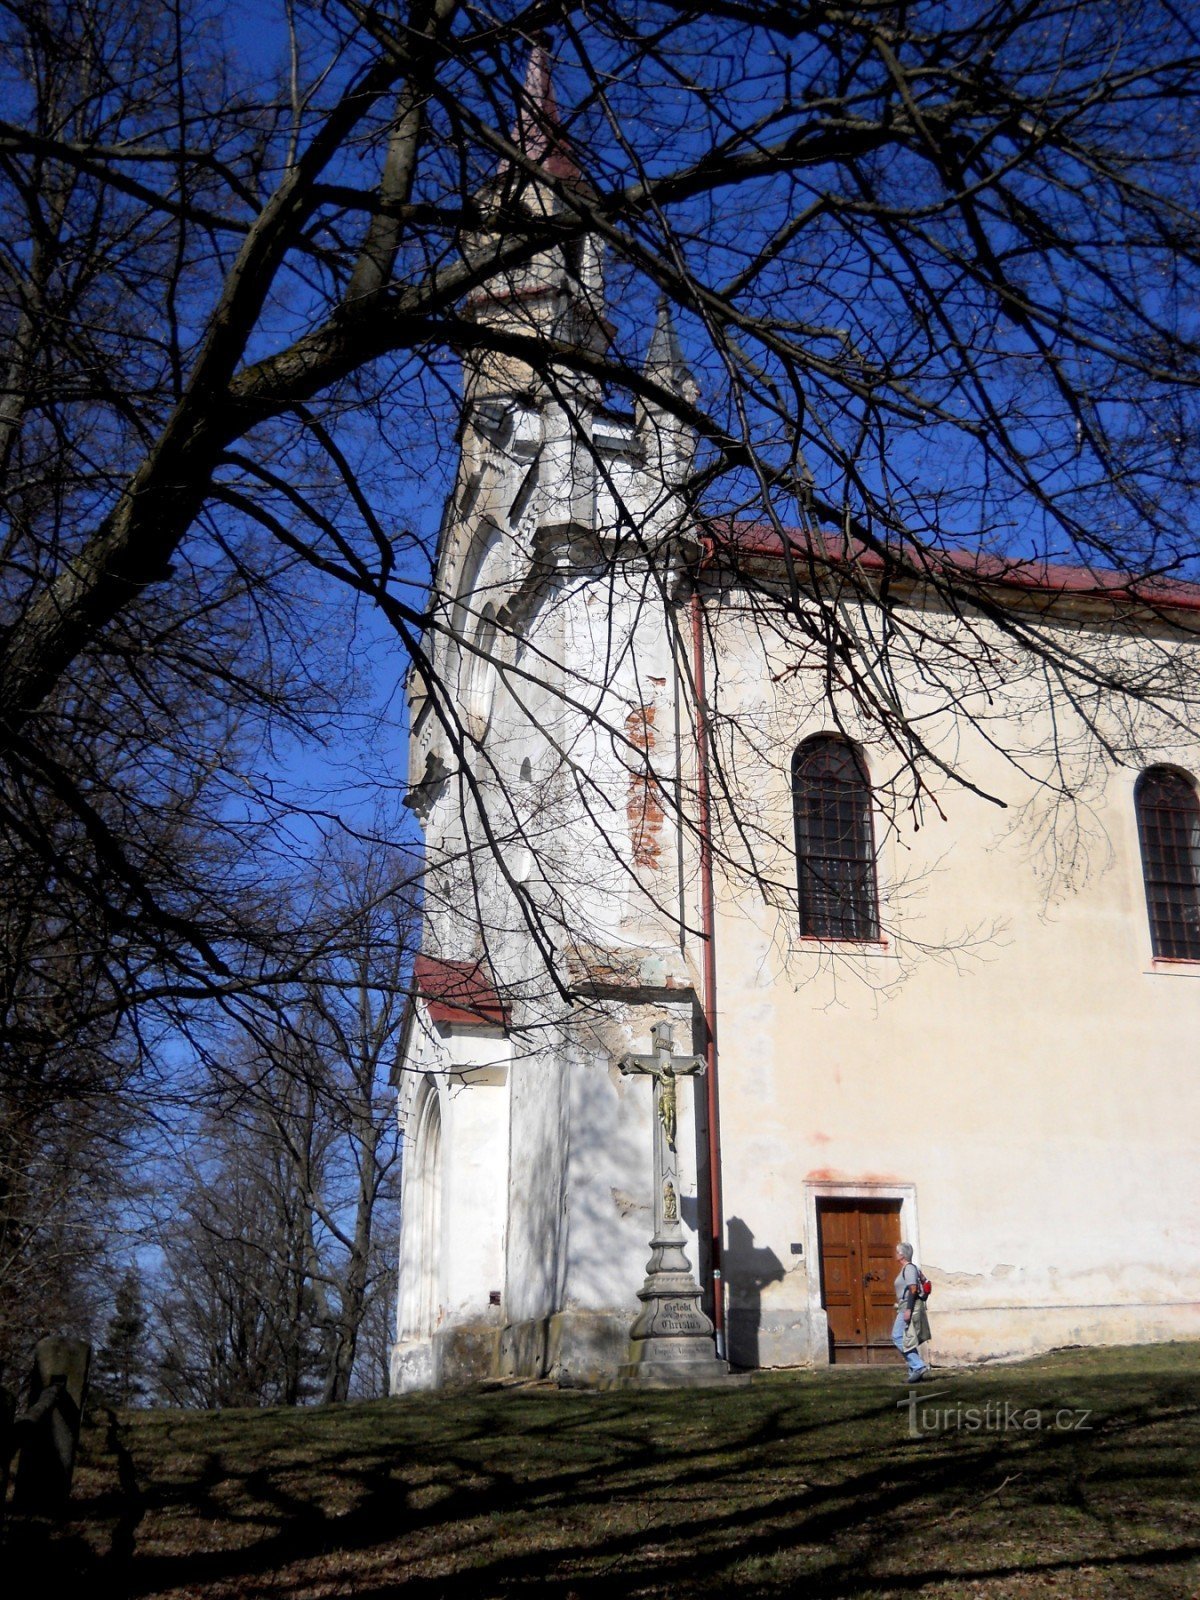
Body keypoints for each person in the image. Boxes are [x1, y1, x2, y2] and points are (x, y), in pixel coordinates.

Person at [893, 1241, 931, 1382]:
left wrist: (908, 1309)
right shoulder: (908, 1269)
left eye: (897, 1252)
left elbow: (913, 1289)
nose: (896, 1254)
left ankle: (918, 1366)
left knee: (898, 1336)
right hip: (904, 1307)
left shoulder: (909, 1269)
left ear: (902, 1255)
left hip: (907, 1308)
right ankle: (915, 1372)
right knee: (906, 1338)